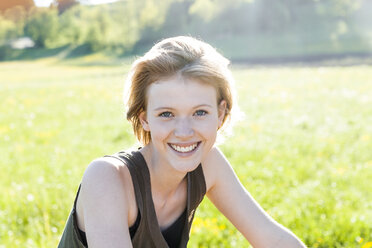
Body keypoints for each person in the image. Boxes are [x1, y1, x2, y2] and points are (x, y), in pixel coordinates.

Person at [58, 36, 306, 248]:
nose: (185, 132)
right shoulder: (107, 177)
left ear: (220, 114)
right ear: (144, 118)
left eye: (200, 112)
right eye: (166, 114)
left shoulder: (208, 164)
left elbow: (274, 240)